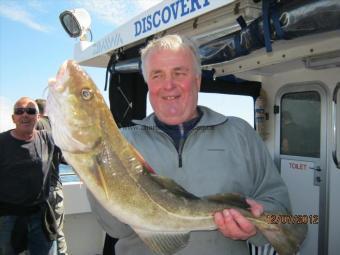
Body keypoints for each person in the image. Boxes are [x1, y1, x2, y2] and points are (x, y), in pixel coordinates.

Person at [88, 34, 291, 255]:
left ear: (197, 80)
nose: (168, 85)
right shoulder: (122, 143)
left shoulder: (241, 134)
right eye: (157, 75)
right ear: (148, 84)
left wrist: (256, 225)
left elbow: (283, 213)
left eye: (179, 73)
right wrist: (90, 168)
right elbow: (115, 229)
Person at [0, 97, 56, 255]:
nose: (25, 115)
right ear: (13, 118)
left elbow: (77, 146)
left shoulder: (48, 139)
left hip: (41, 216)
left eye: (31, 111)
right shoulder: (1, 142)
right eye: (19, 111)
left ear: (38, 117)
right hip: (8, 219)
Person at [35, 98, 68, 255]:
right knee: (58, 232)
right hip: (57, 188)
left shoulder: (38, 124)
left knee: (43, 234)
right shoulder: (57, 128)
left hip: (42, 191)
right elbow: (63, 158)